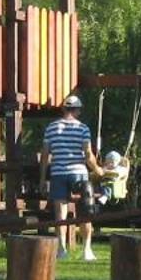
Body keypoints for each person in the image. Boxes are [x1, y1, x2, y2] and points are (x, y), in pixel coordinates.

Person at [42, 95, 101, 259]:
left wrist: (42, 179)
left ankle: (62, 249)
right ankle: (86, 250)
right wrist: (97, 169)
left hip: (58, 173)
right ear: (77, 110)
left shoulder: (51, 128)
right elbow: (88, 154)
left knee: (60, 213)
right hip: (78, 173)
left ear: (64, 109)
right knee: (85, 211)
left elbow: (45, 155)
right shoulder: (83, 128)